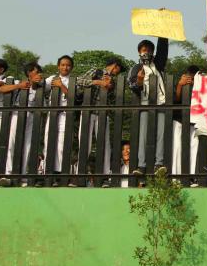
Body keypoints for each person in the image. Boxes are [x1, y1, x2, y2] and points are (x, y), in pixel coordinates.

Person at [77, 57, 126, 185]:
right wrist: (98, 82)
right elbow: (78, 81)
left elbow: (113, 100)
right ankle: (80, 174)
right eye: (118, 69)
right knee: (84, 143)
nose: (117, 72)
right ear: (115, 66)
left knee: (104, 144)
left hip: (103, 113)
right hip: (89, 111)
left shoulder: (113, 81)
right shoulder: (96, 71)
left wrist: (110, 87)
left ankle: (104, 176)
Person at [0, 62, 45, 187]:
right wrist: (18, 86)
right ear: (29, 74)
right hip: (17, 114)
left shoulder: (42, 87)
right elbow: (1, 89)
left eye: (38, 72)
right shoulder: (19, 82)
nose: (37, 75)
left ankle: (23, 176)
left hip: (33, 117)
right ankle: (8, 174)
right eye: (35, 72)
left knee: (28, 146)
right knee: (11, 143)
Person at [128, 38, 168, 176]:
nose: (147, 53)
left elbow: (163, 50)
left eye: (149, 50)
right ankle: (141, 166)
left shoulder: (158, 64)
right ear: (139, 52)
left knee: (161, 134)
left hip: (161, 103)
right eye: (144, 50)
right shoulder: (136, 68)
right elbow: (131, 85)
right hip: (145, 105)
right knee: (143, 135)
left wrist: (162, 35)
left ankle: (159, 164)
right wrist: (138, 82)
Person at [43, 55, 73, 178]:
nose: (65, 67)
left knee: (62, 144)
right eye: (63, 65)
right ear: (58, 66)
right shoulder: (52, 78)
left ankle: (59, 173)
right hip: (52, 114)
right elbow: (41, 87)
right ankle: (47, 172)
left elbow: (74, 97)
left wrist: (61, 86)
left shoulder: (73, 80)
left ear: (71, 67)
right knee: (48, 142)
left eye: (68, 65)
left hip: (65, 115)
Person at [171, 65, 200, 186]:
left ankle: (192, 177)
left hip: (195, 122)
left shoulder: (201, 86)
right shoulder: (181, 83)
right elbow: (174, 99)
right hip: (179, 120)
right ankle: (176, 178)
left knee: (194, 148)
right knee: (177, 148)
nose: (191, 79)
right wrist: (180, 85)